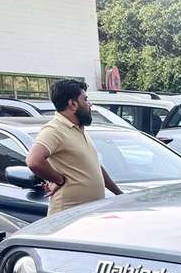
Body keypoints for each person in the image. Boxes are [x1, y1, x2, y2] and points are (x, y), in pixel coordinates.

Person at [25, 79, 122, 215]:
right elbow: (33, 161)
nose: (90, 104)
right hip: (67, 217)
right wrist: (59, 180)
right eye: (85, 99)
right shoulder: (54, 129)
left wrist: (119, 194)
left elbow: (94, 167)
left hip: (89, 214)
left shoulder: (78, 129)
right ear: (73, 104)